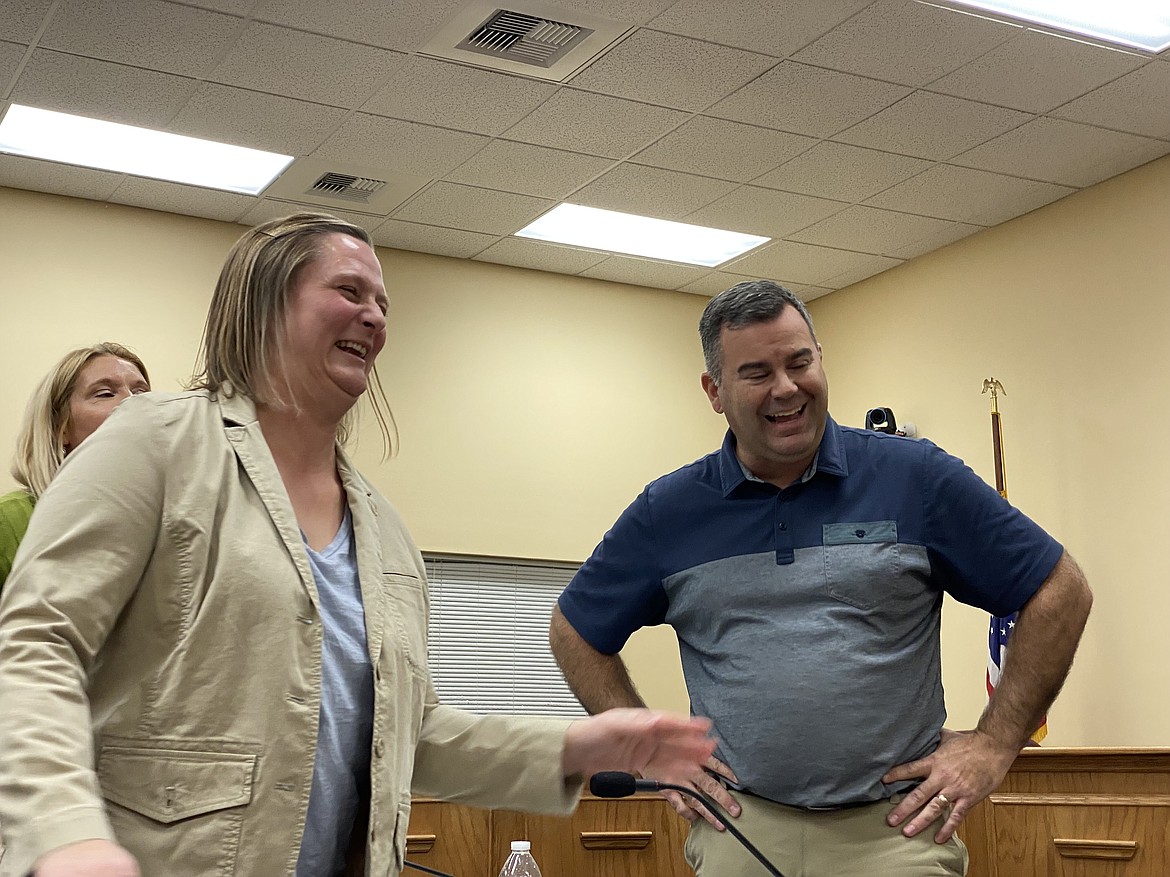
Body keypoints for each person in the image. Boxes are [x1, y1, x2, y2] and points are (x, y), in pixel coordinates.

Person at [0, 213, 716, 877]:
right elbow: (35, 643)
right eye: (349, 290)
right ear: (263, 305)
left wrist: (575, 747)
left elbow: (416, 733)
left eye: (383, 303)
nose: (374, 317)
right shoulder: (151, 442)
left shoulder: (386, 533)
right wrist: (66, 831)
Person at [550, 279, 1093, 877]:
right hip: (741, 825)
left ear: (819, 359)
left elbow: (1061, 591)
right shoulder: (669, 511)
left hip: (895, 831)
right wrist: (646, 746)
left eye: (799, 362)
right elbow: (576, 631)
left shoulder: (916, 478)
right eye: (756, 372)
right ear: (715, 391)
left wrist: (995, 743)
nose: (786, 388)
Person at [0, 342, 151, 591]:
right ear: (62, 428)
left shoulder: (173, 521)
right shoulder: (10, 521)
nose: (134, 402)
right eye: (104, 393)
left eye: (142, 393)